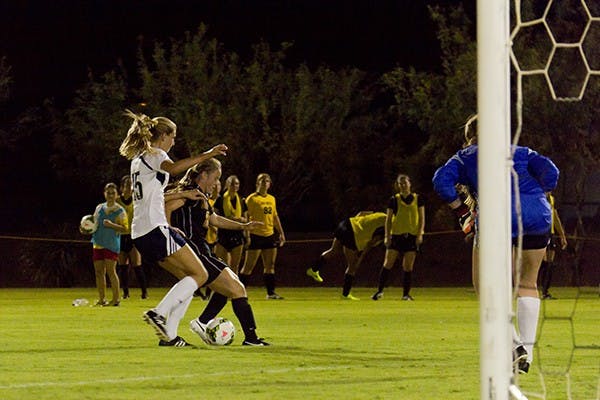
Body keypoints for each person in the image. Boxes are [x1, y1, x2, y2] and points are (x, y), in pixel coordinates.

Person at [432, 114, 559, 374]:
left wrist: (462, 212)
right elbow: (551, 172)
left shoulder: (466, 155)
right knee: (528, 283)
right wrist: (535, 193)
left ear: (470, 135)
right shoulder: (521, 151)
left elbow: (440, 181)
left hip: (497, 214)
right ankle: (527, 352)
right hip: (537, 214)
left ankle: (515, 346)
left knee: (485, 287)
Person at [119, 109, 229, 347]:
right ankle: (158, 313)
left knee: (187, 279)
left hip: (143, 231)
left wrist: (171, 220)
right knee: (201, 274)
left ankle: (170, 336)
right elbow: (173, 168)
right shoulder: (156, 153)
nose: (174, 141)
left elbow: (152, 196)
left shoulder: (138, 160)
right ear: (163, 137)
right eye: (173, 136)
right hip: (153, 228)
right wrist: (207, 155)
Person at [165, 159, 269, 346]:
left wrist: (243, 226)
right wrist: (169, 228)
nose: (216, 183)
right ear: (204, 175)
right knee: (237, 288)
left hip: (202, 249)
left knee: (230, 286)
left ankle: (202, 322)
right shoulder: (189, 193)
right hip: (195, 250)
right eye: (215, 177)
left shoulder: (200, 195)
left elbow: (215, 220)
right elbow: (166, 206)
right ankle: (251, 339)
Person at [306, 211, 386, 300]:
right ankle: (345, 294)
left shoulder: (382, 215)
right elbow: (370, 244)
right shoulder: (387, 228)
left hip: (346, 224)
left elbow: (361, 213)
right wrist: (361, 257)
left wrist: (356, 224)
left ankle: (313, 269)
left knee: (333, 250)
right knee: (353, 266)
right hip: (352, 234)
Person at [371, 174, 426, 301]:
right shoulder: (394, 200)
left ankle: (406, 294)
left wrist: (420, 234)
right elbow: (388, 219)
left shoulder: (418, 199)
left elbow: (422, 218)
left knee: (408, 266)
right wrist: (387, 236)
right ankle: (379, 291)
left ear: (410, 183)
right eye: (400, 184)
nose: (403, 185)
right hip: (396, 236)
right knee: (387, 263)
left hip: (411, 236)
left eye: (405, 183)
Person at [239, 173, 286, 300]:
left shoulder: (271, 199)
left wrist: (281, 233)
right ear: (257, 183)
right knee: (248, 266)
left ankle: (270, 293)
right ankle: (238, 292)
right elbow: (246, 217)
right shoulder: (252, 199)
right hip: (256, 235)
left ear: (270, 184)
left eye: (267, 181)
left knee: (270, 265)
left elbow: (275, 217)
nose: (265, 183)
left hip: (269, 235)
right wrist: (247, 235)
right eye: (262, 180)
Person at [81, 182, 128, 306]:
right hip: (98, 242)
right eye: (108, 193)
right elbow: (94, 223)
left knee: (111, 271)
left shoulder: (120, 210)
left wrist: (112, 225)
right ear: (104, 194)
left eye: (113, 193)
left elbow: (125, 228)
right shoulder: (99, 208)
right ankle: (102, 299)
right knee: (99, 272)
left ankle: (116, 299)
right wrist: (85, 229)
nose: (111, 195)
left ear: (117, 195)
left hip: (111, 243)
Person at [116, 175, 148, 300]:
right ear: (122, 187)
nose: (129, 187)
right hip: (121, 236)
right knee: (122, 266)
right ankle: (125, 293)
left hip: (133, 236)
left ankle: (144, 292)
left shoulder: (137, 200)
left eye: (131, 185)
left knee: (137, 265)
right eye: (126, 185)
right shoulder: (117, 201)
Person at [214, 175, 248, 275]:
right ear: (227, 185)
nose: (234, 186)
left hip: (237, 235)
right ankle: (217, 289)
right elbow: (215, 216)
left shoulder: (242, 200)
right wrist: (229, 219)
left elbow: (246, 219)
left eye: (236, 184)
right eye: (232, 184)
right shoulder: (220, 199)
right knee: (221, 265)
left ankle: (234, 289)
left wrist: (241, 220)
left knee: (235, 266)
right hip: (223, 235)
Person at [538, 192, 568, 299]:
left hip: (550, 234)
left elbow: (555, 217)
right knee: (542, 262)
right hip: (540, 233)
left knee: (550, 263)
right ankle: (532, 285)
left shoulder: (551, 199)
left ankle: (545, 292)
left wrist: (562, 235)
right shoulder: (538, 197)